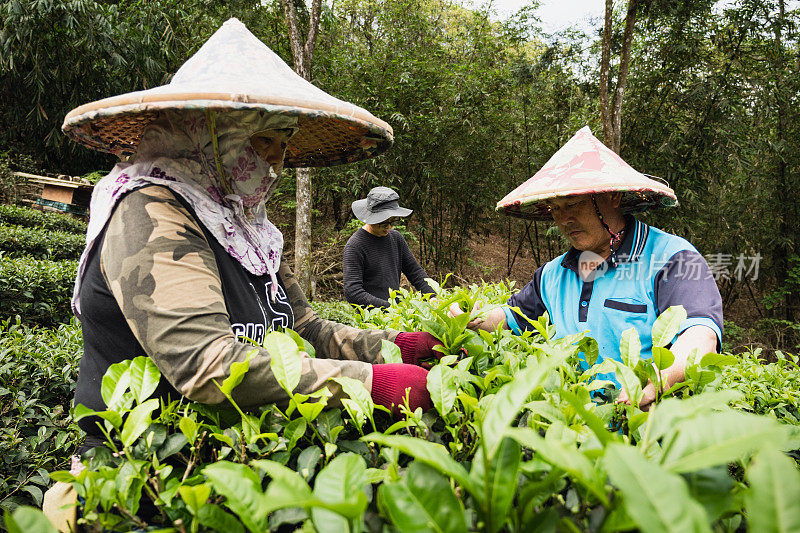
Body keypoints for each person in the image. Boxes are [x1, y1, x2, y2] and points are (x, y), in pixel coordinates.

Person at [59, 19, 445, 460]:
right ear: (208, 133)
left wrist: (398, 345)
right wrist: (372, 384)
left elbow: (304, 329)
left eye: (284, 143)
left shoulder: (247, 228)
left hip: (244, 449)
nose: (277, 161)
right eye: (264, 140)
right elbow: (207, 364)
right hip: (148, 472)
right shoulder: (149, 212)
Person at [450, 126, 722, 410]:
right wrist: (470, 316)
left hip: (643, 429)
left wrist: (656, 382)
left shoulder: (672, 259)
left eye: (574, 203)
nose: (564, 219)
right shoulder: (553, 275)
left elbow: (700, 335)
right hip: (570, 429)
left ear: (613, 197)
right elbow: (512, 318)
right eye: (555, 208)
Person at [343, 186, 435, 308]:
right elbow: (353, 292)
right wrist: (391, 308)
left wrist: (433, 295)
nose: (388, 227)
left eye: (392, 221)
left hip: (396, 316)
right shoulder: (355, 246)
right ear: (371, 217)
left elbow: (415, 272)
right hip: (371, 320)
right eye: (384, 222)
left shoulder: (396, 238)